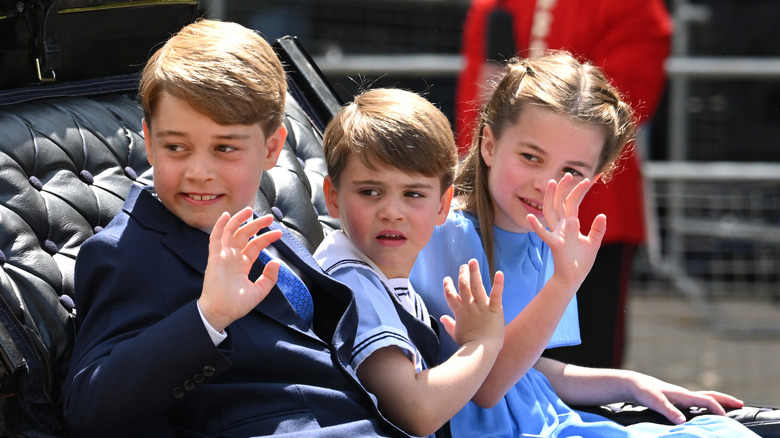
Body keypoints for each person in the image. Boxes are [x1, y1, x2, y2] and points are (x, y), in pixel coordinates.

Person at [61, 19, 408, 438]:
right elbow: (87, 404)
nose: (199, 172)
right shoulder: (125, 252)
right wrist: (208, 316)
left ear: (272, 148)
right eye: (176, 147)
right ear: (149, 143)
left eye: (225, 148)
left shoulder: (272, 233)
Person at [410, 51, 757, 437]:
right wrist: (563, 282)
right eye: (531, 157)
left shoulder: (545, 241)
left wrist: (631, 383)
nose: (547, 183)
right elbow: (488, 386)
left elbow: (529, 370)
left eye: (571, 171)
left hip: (547, 419)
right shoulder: (446, 233)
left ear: (598, 178)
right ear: (489, 145)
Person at [455, 0, 673, 368]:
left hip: (587, 211)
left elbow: (621, 105)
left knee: (586, 355)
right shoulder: (493, 5)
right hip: (502, 202)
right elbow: (478, 102)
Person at [313, 88, 505, 437]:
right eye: (370, 191)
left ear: (443, 205)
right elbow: (417, 411)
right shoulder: (352, 285)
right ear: (333, 197)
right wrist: (484, 343)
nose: (391, 212)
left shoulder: (385, 279)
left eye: (413, 194)